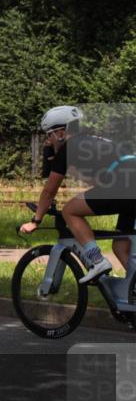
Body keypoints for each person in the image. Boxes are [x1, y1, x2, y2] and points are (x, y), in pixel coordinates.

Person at [19, 106, 135, 284]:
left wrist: (36, 220)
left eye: (49, 134)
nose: (48, 141)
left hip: (124, 186)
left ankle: (97, 260)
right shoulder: (90, 141)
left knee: (70, 211)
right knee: (121, 247)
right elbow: (101, 180)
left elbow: (50, 190)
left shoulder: (68, 149)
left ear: (60, 132)